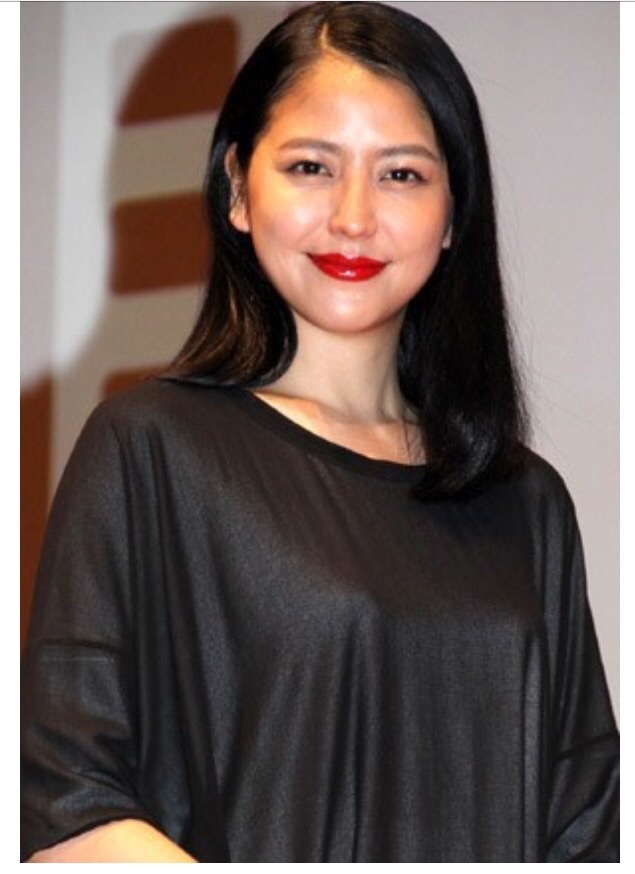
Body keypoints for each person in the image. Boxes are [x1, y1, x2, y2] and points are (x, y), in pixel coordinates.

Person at [21, 1, 619, 862]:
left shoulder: (526, 501)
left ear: (453, 212)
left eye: (401, 174)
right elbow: (67, 804)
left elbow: (585, 828)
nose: (352, 217)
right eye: (310, 166)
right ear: (237, 187)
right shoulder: (150, 448)